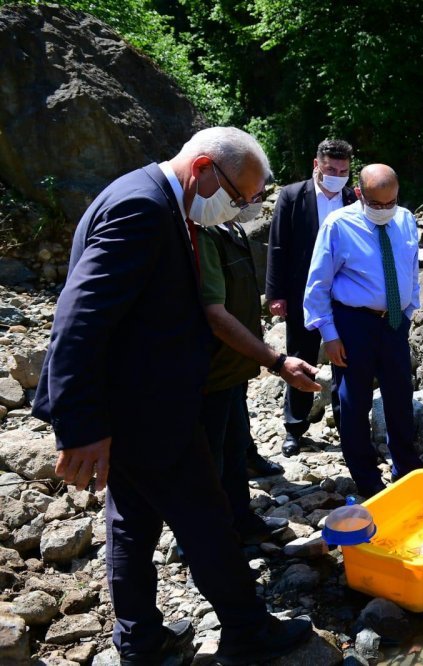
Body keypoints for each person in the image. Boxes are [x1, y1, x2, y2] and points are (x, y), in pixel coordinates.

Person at [32, 127, 312, 665]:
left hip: (138, 405)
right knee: (207, 520)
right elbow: (77, 319)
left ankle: (139, 640)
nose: (238, 210)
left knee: (131, 524)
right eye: (237, 197)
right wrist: (81, 426)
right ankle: (247, 631)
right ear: (204, 167)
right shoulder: (142, 207)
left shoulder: (154, 198)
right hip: (148, 411)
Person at [197, 210, 321, 543]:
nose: (251, 201)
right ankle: (205, 538)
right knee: (210, 458)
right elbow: (215, 314)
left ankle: (240, 520)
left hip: (235, 365)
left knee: (235, 446)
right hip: (211, 371)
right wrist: (277, 361)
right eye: (245, 193)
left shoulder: (230, 228)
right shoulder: (201, 233)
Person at [302, 163, 423, 497]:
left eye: (391, 202)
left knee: (400, 394)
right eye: (377, 204)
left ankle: (406, 467)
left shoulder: (405, 219)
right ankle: (366, 477)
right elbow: (318, 282)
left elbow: (411, 267)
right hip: (353, 322)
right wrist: (329, 333)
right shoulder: (338, 224)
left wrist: (410, 307)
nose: (385, 210)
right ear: (359, 194)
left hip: (395, 320)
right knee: (354, 400)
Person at [266, 139, 357, 457]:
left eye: (343, 170)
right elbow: (278, 246)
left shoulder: (352, 197)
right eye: (331, 168)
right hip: (301, 290)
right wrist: (275, 293)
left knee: (345, 357)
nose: (337, 174)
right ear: (316, 165)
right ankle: (294, 428)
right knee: (301, 356)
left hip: (344, 292)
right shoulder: (292, 195)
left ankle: (349, 425)